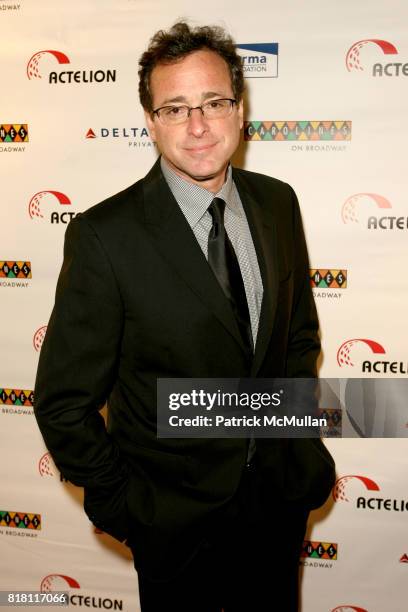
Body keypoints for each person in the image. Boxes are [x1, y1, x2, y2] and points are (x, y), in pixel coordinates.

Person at [34, 22, 335, 612]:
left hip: (277, 506)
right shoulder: (104, 237)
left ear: (239, 110)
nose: (198, 126)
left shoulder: (278, 201)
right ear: (150, 122)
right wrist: (129, 509)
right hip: (173, 528)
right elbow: (63, 404)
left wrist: (300, 452)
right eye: (175, 108)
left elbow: (297, 341)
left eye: (213, 103)